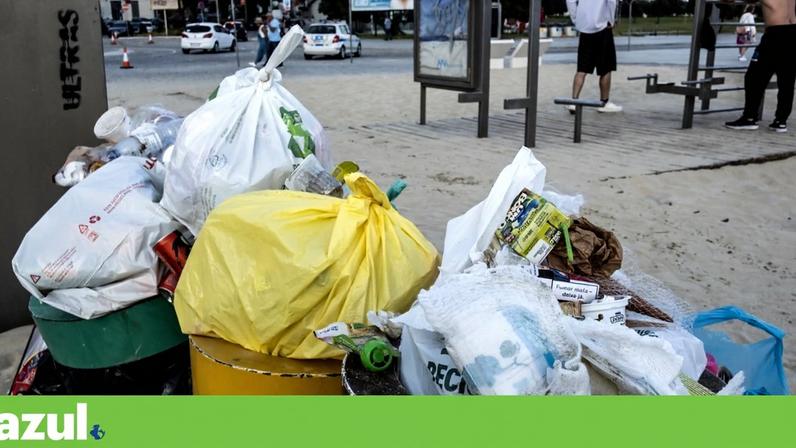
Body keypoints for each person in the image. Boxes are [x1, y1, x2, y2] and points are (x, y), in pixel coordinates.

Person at [725, 0, 796, 132]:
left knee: (753, 77)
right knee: (787, 80)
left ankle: (750, 118)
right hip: (793, 32)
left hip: (775, 34)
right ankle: (781, 121)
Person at [565, 0, 622, 113]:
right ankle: (603, 103)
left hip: (585, 27)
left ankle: (574, 102)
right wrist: (611, 20)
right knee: (606, 67)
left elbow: (570, 1)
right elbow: (611, 2)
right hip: (602, 27)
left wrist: (576, 19)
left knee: (582, 68)